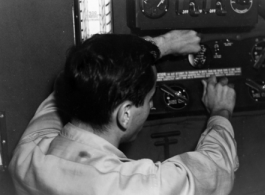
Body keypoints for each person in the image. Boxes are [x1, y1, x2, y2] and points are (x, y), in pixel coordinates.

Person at [9, 30, 239, 195]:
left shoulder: (26, 156)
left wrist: (161, 46)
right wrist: (220, 111)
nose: (151, 106)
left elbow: (70, 78)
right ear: (125, 114)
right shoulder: (144, 187)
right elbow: (215, 168)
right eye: (150, 99)